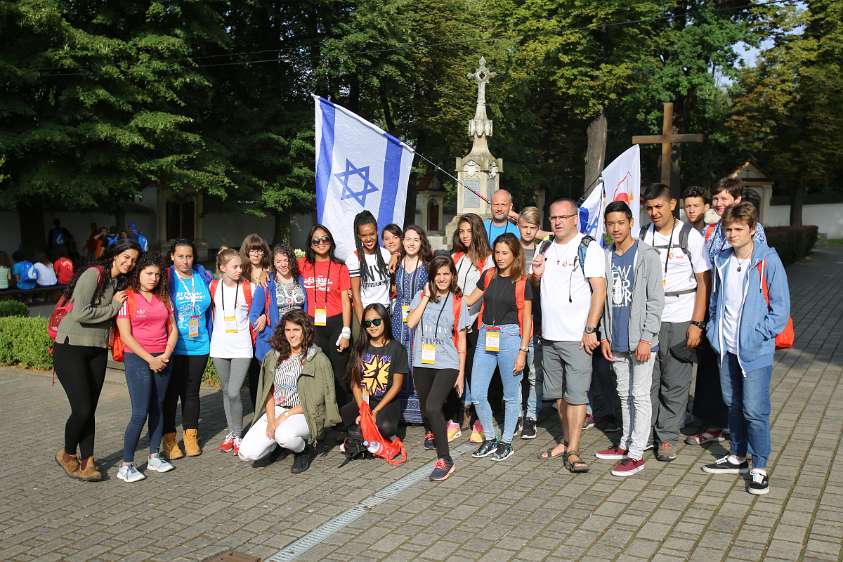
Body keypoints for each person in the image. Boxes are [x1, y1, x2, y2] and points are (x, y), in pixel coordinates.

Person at [702, 202, 790, 495]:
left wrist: (757, 336)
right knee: (733, 403)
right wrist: (714, 334)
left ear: (753, 230)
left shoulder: (768, 261)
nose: (732, 234)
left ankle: (760, 466)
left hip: (754, 352)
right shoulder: (723, 260)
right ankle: (738, 455)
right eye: (728, 229)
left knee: (755, 410)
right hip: (726, 349)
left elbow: (780, 310)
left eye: (739, 229)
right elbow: (715, 303)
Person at [53, 239, 141, 481]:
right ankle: (67, 453)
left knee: (90, 409)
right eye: (126, 257)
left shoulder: (118, 282)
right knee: (81, 409)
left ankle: (88, 460)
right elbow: (81, 312)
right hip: (71, 347)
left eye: (133, 260)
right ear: (115, 255)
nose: (129, 263)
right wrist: (113, 307)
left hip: (97, 349)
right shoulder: (94, 274)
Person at [531, 198, 606, 473]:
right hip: (549, 335)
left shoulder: (589, 247)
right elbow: (538, 286)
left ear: (576, 218)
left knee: (576, 396)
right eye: (553, 218)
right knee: (558, 396)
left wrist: (590, 328)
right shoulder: (545, 246)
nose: (558, 221)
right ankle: (566, 440)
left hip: (577, 336)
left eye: (564, 217)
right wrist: (536, 276)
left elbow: (599, 290)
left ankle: (574, 450)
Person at [641, 183, 711, 462]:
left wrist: (697, 322)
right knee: (649, 380)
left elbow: (704, 282)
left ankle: (667, 437)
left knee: (676, 380)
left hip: (682, 316)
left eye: (659, 206)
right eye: (649, 208)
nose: (654, 212)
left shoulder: (690, 236)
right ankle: (647, 433)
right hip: (651, 317)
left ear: (672, 205)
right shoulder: (644, 234)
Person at [594, 202, 664, 477]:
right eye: (610, 224)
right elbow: (602, 300)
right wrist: (604, 336)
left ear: (631, 222)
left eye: (620, 223)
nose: (615, 228)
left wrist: (648, 337)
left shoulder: (647, 255)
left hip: (641, 340)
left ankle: (637, 453)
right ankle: (625, 442)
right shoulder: (606, 255)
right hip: (616, 337)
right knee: (623, 393)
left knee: (639, 395)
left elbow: (656, 301)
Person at [239, 310, 341, 473]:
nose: (291, 335)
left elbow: (317, 401)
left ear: (305, 331)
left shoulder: (318, 360)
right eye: (288, 330)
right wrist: (272, 419)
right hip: (278, 408)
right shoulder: (274, 356)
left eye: (296, 330)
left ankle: (303, 450)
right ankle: (279, 445)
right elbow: (269, 392)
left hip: (304, 412)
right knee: (246, 453)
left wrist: (283, 417)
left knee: (284, 436)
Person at [464, 233, 533, 462]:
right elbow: (468, 300)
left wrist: (523, 351)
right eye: (498, 252)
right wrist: (439, 292)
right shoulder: (489, 275)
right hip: (486, 335)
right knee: (477, 393)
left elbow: (527, 318)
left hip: (510, 337)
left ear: (515, 255)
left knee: (511, 396)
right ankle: (491, 438)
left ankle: (506, 442)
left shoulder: (522, 281)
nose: (500, 257)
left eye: (505, 253)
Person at [115, 253, 180, 482]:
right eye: (148, 273)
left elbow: (173, 329)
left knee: (158, 408)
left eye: (157, 274)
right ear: (138, 273)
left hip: (163, 358)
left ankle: (154, 456)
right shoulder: (127, 298)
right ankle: (126, 464)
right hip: (138, 359)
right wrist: (150, 359)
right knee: (140, 412)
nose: (153, 278)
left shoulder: (164, 298)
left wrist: (166, 354)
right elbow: (125, 336)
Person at [406, 256, 470, 480]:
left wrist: (461, 374)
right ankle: (436, 433)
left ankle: (446, 459)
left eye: (446, 274)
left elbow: (461, 340)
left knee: (433, 406)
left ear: (452, 275)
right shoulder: (421, 296)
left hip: (447, 362)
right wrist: (424, 297)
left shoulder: (458, 301)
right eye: (438, 274)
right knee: (427, 407)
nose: (442, 278)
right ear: (432, 277)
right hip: (421, 361)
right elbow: (411, 323)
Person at [161, 239, 214, 460]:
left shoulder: (202, 277)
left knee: (191, 393)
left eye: (189, 256)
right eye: (181, 256)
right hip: (173, 346)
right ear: (172, 256)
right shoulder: (165, 277)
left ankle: (191, 435)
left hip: (199, 344)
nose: (185, 260)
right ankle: (170, 439)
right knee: (171, 394)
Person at [298, 225, 353, 406]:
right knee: (318, 371)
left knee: (339, 372)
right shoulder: (303, 265)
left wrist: (346, 331)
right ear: (311, 245)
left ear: (331, 242)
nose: (321, 243)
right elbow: (279, 266)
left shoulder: (340, 267)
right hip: (313, 325)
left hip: (336, 323)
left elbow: (346, 301)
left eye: (325, 239)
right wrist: (263, 274)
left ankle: (342, 419)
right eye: (316, 240)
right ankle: (322, 416)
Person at [450, 213, 493, 441]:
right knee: (457, 370)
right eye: (462, 231)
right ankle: (455, 419)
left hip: (476, 323)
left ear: (477, 232)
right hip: (456, 323)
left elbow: (481, 291)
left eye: (469, 231)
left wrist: (456, 302)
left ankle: (478, 420)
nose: (465, 236)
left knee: (476, 374)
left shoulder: (488, 259)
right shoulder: (456, 257)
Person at [209, 247, 255, 456]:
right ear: (222, 268)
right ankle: (232, 433)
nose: (239, 270)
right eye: (234, 267)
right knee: (227, 391)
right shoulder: (213, 286)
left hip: (242, 347)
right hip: (219, 346)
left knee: (235, 391)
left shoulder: (250, 288)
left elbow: (260, 311)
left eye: (240, 267)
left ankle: (238, 434)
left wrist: (262, 318)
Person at [340, 304, 407, 444]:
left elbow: (397, 386)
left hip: (386, 402)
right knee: (342, 416)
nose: (372, 326)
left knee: (386, 427)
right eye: (367, 323)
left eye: (376, 321)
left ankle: (377, 435)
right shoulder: (360, 348)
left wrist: (375, 411)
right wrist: (364, 411)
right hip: (365, 401)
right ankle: (365, 435)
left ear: (385, 321)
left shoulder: (397, 349)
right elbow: (356, 384)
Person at [390, 225, 432, 425]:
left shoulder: (427, 265)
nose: (412, 243)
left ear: (421, 241)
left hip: (419, 316)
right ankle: (401, 410)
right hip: (399, 316)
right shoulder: (396, 262)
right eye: (408, 239)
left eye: (416, 239)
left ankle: (421, 412)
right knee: (400, 358)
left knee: (417, 357)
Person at [251, 244, 307, 365]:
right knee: (275, 382)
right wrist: (272, 334)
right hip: (275, 343)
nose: (283, 264)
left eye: (286, 260)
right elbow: (254, 316)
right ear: (273, 264)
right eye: (278, 261)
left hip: (299, 341)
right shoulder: (266, 283)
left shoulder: (301, 279)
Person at [517, 206, 545, 439]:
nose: (527, 231)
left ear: (537, 229)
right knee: (516, 370)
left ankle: (532, 416)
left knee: (535, 371)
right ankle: (517, 413)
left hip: (537, 318)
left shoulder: (544, 250)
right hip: (514, 319)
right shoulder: (511, 250)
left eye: (532, 227)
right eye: (524, 227)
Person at [240, 233, 272, 410]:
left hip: (264, 327)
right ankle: (256, 410)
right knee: (253, 372)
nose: (256, 254)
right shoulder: (240, 272)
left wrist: (265, 315)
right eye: (252, 250)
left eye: (259, 250)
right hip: (245, 327)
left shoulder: (270, 272)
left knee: (266, 369)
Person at [347, 211, 392, 324]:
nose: (368, 239)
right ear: (359, 236)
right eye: (363, 235)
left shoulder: (387, 255)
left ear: (377, 232)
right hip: (365, 315)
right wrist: (364, 325)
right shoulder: (353, 259)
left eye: (371, 234)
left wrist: (397, 255)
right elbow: (356, 298)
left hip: (386, 314)